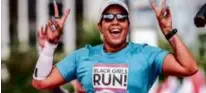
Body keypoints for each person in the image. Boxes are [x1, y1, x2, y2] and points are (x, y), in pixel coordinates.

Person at [32, 0, 198, 93]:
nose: (115, 21)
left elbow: (189, 67)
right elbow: (40, 83)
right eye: (108, 17)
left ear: (128, 24)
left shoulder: (146, 54)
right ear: (100, 26)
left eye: (121, 17)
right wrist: (50, 45)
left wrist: (168, 31)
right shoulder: (83, 56)